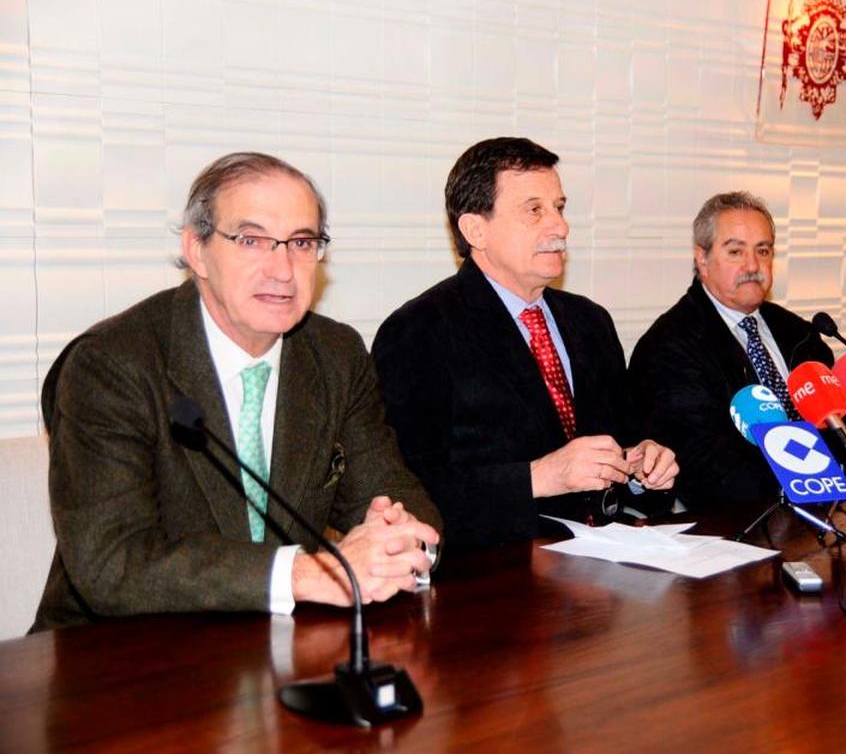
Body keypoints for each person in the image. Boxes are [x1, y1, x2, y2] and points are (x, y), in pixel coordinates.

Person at [33, 152, 441, 631]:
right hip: (116, 655)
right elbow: (112, 564)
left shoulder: (334, 354)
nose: (283, 269)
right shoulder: (113, 364)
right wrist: (308, 573)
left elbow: (393, 495)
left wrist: (399, 539)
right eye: (252, 240)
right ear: (197, 250)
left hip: (277, 643)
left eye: (302, 242)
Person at [371, 137, 678, 552]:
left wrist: (644, 465)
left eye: (560, 208)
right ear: (475, 229)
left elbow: (624, 442)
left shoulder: (590, 321)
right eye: (535, 210)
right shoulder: (419, 331)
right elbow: (407, 490)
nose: (560, 226)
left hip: (609, 562)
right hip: (495, 577)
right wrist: (538, 477)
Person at [628, 191, 846, 512]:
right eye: (735, 251)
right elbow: (701, 462)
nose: (753, 265)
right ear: (701, 258)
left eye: (763, 250)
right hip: (738, 520)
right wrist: (796, 487)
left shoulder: (800, 333)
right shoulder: (670, 345)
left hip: (830, 508)